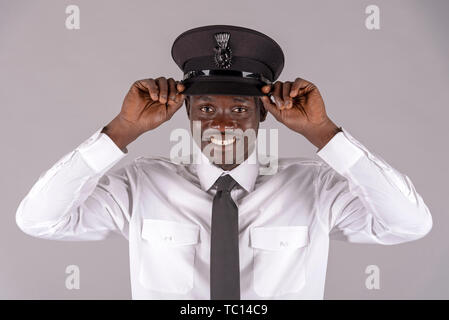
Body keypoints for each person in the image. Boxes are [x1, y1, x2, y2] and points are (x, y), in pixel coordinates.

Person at [16, 25, 432, 300]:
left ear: (263, 114)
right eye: (206, 108)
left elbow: (408, 224)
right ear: (188, 114)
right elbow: (40, 220)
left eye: (238, 109)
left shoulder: (315, 189)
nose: (222, 122)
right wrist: (123, 129)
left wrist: (322, 132)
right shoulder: (141, 185)